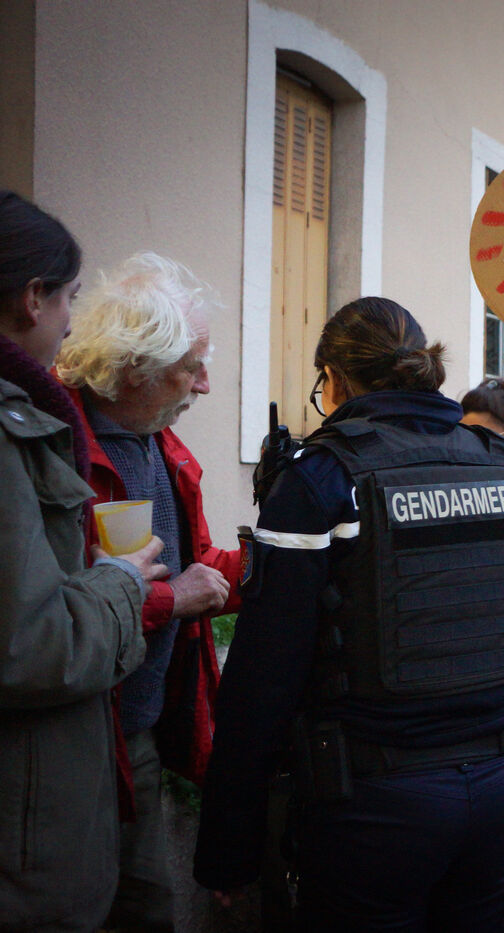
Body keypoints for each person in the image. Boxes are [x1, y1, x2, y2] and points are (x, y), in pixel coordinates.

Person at [194, 298, 504, 929]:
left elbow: (263, 678)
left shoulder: (321, 480)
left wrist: (229, 845)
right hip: (497, 790)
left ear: (334, 379)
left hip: (371, 807)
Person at [54, 252, 241, 930]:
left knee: (147, 906)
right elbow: (54, 608)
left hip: (136, 729)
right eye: (192, 367)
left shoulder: (158, 441)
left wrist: (280, 561)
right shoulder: (59, 448)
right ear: (135, 368)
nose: (206, 384)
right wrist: (171, 600)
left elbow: (192, 568)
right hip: (72, 736)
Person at [0, 191, 166, 931]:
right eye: (68, 296)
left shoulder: (146, 443)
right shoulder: (19, 428)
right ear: (32, 298)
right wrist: (123, 584)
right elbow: (31, 642)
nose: (72, 321)